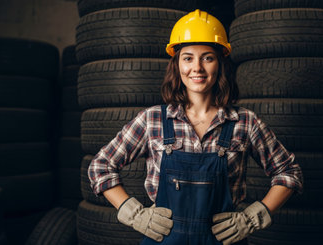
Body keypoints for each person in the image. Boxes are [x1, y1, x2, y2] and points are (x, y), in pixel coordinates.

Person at [88, 9, 303, 245]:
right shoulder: (152, 120)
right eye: (188, 58)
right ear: (177, 64)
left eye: (207, 58)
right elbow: (101, 166)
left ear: (220, 64)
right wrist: (134, 214)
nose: (197, 68)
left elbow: (289, 173)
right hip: (164, 240)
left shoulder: (245, 122)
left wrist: (252, 218)